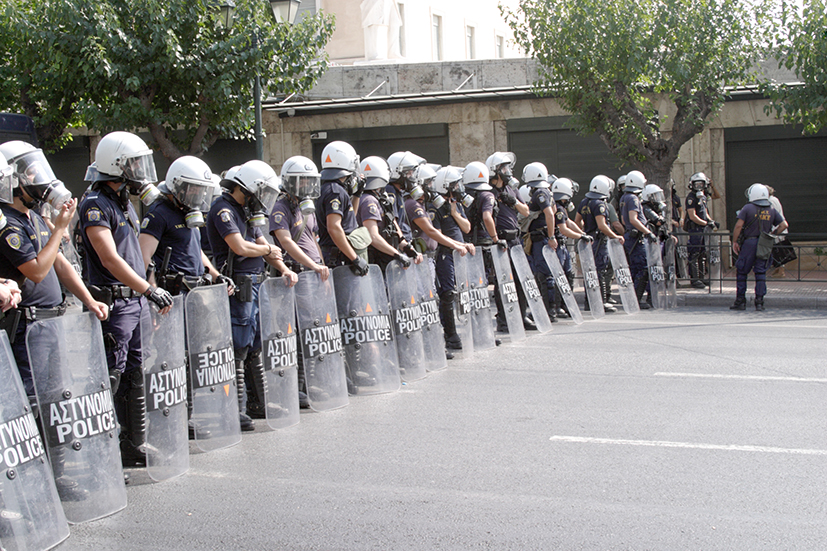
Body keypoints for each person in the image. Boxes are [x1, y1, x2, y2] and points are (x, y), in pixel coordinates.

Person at [78, 131, 171, 467]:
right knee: (112, 377)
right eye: (133, 163)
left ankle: (134, 444)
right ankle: (104, 450)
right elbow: (109, 258)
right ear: (116, 166)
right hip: (116, 304)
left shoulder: (123, 203)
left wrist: (150, 290)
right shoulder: (94, 205)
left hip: (136, 301)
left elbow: (135, 256)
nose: (138, 170)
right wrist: (148, 290)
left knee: (135, 372)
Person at [138, 156, 234, 435]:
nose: (198, 196)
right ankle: (162, 415)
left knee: (190, 356)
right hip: (172, 296)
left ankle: (185, 415)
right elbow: (144, 258)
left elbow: (195, 250)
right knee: (170, 357)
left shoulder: (187, 213)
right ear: (178, 186)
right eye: (193, 189)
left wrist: (216, 274)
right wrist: (153, 293)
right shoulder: (158, 213)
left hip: (194, 293)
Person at [207, 160, 297, 430]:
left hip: (257, 284)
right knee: (239, 346)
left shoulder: (246, 211)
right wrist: (268, 252)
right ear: (248, 189)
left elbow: (262, 243)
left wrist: (282, 268)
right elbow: (239, 246)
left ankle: (259, 402)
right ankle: (236, 408)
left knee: (256, 345)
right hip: (239, 285)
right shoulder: (223, 209)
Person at [270, 156, 328, 407]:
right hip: (294, 276)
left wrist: (321, 267)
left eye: (308, 180)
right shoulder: (280, 206)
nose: (305, 184)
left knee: (309, 330)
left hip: (311, 276)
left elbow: (314, 239)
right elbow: (285, 242)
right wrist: (312, 265)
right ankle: (292, 387)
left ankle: (307, 383)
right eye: (300, 180)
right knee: (291, 332)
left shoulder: (306, 208)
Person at [486, 152, 535, 332]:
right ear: (496, 170)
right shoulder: (488, 192)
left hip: (515, 238)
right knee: (503, 281)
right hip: (500, 240)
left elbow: (526, 211)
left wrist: (512, 200)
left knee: (520, 280)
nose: (508, 171)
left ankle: (521, 316)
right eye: (504, 167)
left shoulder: (511, 189)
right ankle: (503, 319)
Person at [428, 166, 474, 350]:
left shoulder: (457, 205)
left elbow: (467, 228)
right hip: (446, 255)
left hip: (459, 254)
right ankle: (451, 335)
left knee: (464, 292)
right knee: (448, 294)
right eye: (455, 184)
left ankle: (471, 331)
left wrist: (455, 213)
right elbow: (437, 235)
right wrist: (459, 245)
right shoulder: (435, 208)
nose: (458, 187)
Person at [315, 141, 370, 276]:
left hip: (339, 253)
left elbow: (348, 221)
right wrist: (355, 258)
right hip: (339, 256)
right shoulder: (336, 191)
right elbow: (334, 228)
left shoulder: (329, 189)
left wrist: (357, 195)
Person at [730, 184, 787, 311]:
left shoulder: (747, 208)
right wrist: (771, 236)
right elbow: (784, 225)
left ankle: (740, 301)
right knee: (761, 273)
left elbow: (738, 226)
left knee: (742, 272)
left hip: (749, 244)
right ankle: (759, 302)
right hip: (764, 244)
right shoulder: (771, 209)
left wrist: (734, 241)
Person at [575, 175, 624, 313]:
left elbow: (577, 220)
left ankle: (588, 302)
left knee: (589, 272)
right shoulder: (599, 204)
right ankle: (601, 302)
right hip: (599, 241)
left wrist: (583, 233)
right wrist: (615, 236)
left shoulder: (584, 202)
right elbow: (602, 225)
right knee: (600, 271)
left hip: (588, 241)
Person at [355, 156, 413, 272]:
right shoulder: (369, 201)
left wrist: (406, 247)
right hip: (377, 262)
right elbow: (373, 236)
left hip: (385, 259)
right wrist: (398, 254)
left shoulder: (378, 199)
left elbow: (391, 226)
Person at [522, 162, 561, 319]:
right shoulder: (547, 192)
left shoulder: (540, 193)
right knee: (544, 274)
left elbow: (550, 214)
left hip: (541, 239)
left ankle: (547, 311)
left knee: (544, 275)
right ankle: (548, 309)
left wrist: (551, 237)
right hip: (541, 237)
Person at [549, 177, 593, 316]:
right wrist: (580, 236)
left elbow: (569, 223)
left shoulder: (560, 208)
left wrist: (582, 233)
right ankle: (557, 306)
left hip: (562, 247)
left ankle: (565, 304)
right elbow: (563, 229)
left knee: (568, 274)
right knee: (560, 276)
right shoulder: (558, 209)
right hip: (558, 246)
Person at [619, 170, 656, 309]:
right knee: (643, 269)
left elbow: (624, 219)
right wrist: (647, 232)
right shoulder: (633, 198)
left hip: (630, 236)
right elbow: (633, 219)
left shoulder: (624, 197)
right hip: (637, 238)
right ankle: (637, 299)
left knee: (634, 269)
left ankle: (633, 299)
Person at [684, 172, 717, 288]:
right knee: (694, 254)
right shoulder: (691, 197)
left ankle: (702, 278)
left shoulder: (702, 196)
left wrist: (710, 221)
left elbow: (705, 212)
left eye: (701, 184)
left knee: (702, 254)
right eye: (696, 184)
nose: (698, 186)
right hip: (695, 229)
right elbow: (692, 216)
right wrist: (705, 224)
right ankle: (694, 279)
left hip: (702, 229)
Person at [765, 185, 791, 278]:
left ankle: (781, 270)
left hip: (777, 228)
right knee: (776, 250)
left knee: (778, 250)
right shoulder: (774, 199)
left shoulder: (771, 201)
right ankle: (777, 268)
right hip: (778, 227)